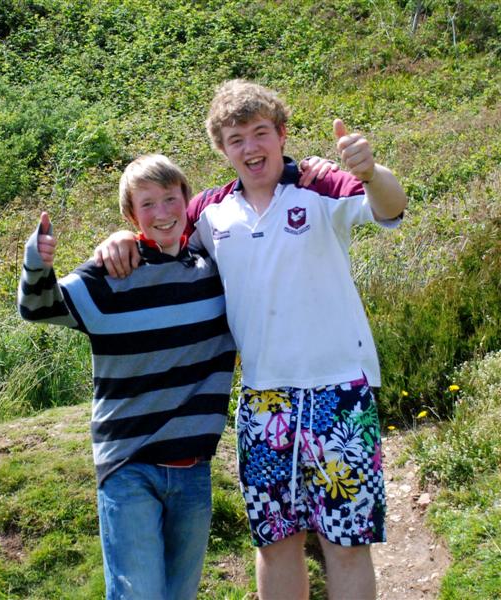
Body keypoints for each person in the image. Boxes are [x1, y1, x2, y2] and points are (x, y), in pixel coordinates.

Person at [94, 80, 408, 600]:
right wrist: (121, 236)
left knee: (347, 544)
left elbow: (390, 209)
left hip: (341, 391)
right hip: (263, 401)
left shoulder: (322, 185)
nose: (250, 147)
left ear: (281, 134)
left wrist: (371, 171)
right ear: (222, 149)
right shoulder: (211, 211)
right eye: (235, 138)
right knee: (275, 542)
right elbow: (163, 234)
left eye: (260, 132)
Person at [17, 154, 238, 600]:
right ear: (131, 215)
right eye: (148, 204)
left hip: (194, 467)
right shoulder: (113, 275)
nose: (162, 213)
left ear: (186, 201)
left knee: (180, 595)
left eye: (170, 199)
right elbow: (39, 308)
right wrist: (36, 263)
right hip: (129, 465)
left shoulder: (215, 271)